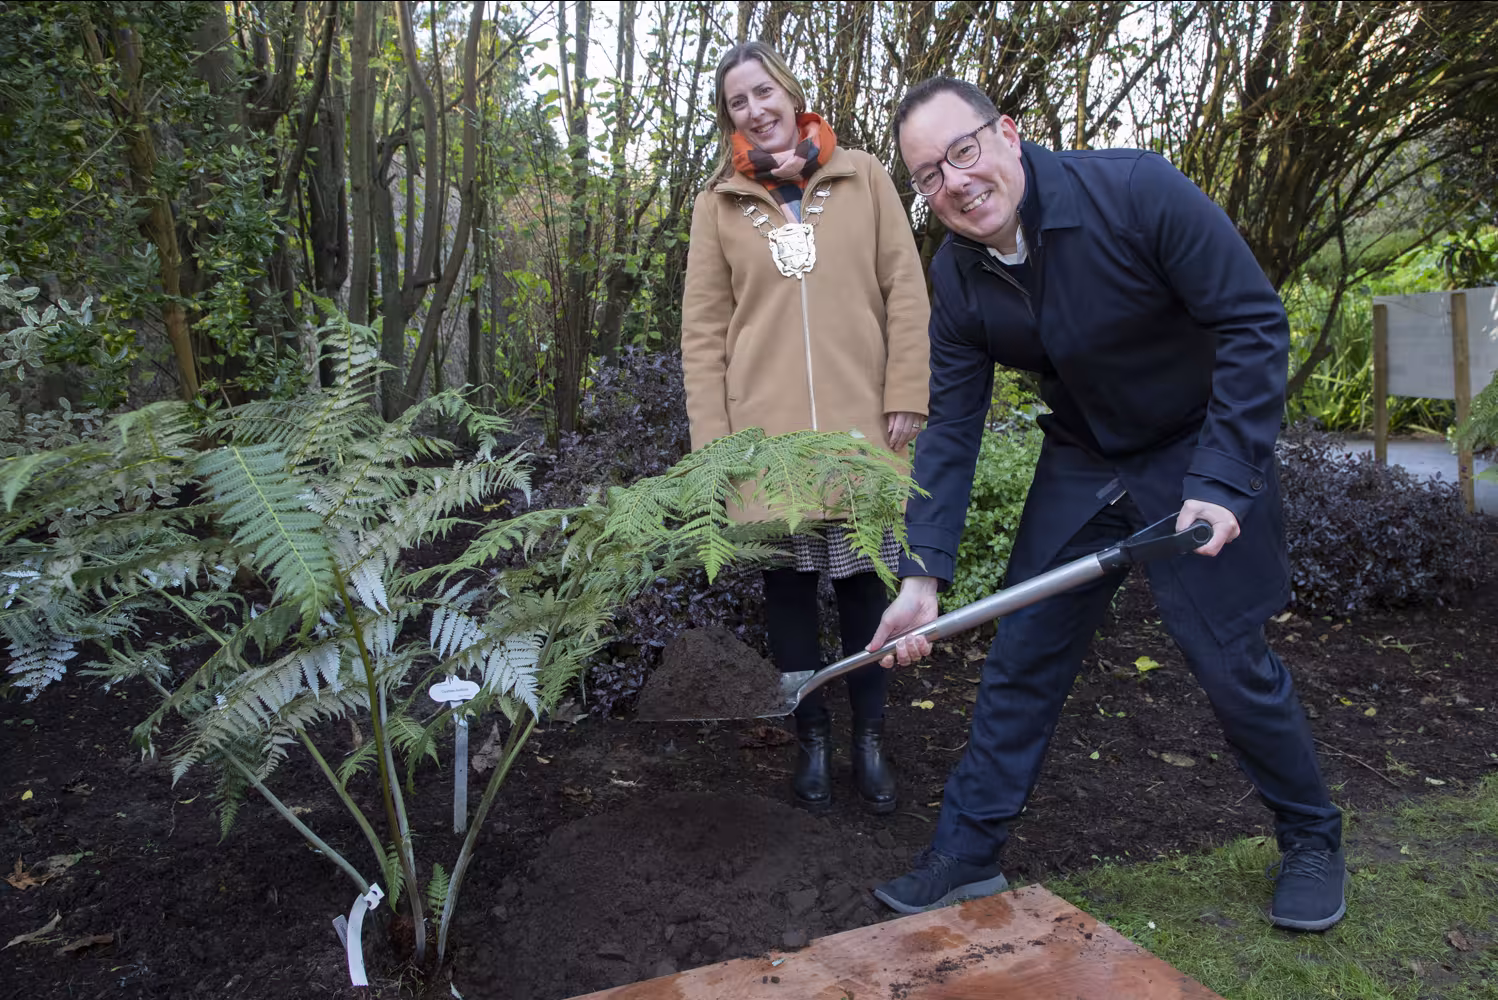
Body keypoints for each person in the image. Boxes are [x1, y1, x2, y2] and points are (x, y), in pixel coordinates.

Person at [864, 77, 1345, 931]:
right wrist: (922, 574)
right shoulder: (959, 275)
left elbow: (1252, 322)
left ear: (1007, 133)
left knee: (1229, 660)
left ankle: (1312, 837)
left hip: (1198, 453)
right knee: (1022, 653)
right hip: (1085, 460)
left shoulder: (1134, 191)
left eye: (963, 151)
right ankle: (967, 853)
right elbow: (951, 429)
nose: (955, 183)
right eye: (929, 176)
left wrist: (1223, 478)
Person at [680, 42, 930, 814]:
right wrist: (716, 450)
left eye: (763, 92)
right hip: (767, 443)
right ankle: (813, 739)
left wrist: (908, 389)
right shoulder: (718, 204)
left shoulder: (864, 176)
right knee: (787, 589)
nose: (755, 110)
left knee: (864, 586)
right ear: (730, 118)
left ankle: (870, 739)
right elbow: (703, 334)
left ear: (790, 93)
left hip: (864, 427)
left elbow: (905, 290)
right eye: (737, 103)